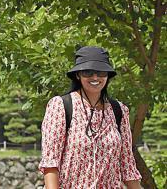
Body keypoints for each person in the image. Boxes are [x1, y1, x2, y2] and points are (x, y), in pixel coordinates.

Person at [39, 46, 141, 188]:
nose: (95, 77)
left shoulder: (119, 110)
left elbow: (127, 165)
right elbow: (51, 163)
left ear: (108, 75)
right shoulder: (61, 106)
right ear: (77, 75)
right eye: (88, 72)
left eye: (101, 72)